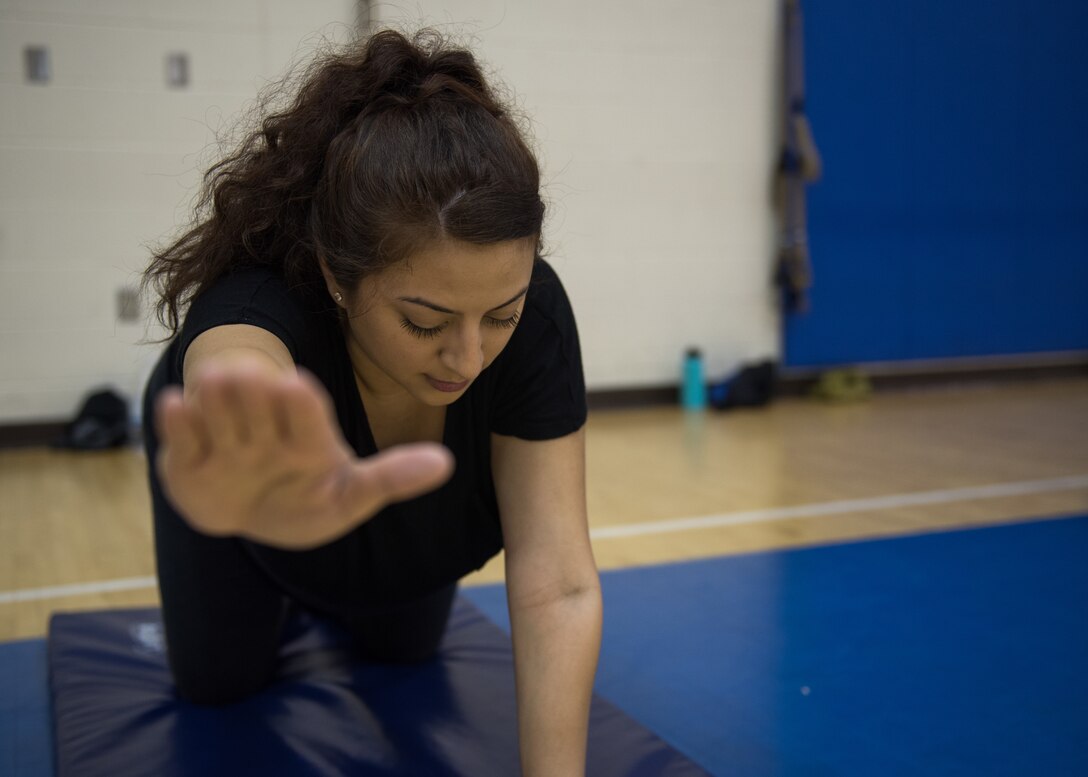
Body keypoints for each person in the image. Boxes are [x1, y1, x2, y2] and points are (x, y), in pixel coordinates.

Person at [141, 28, 602, 776]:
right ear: (334, 275)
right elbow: (232, 365)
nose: (469, 358)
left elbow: (560, 579)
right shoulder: (262, 302)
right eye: (424, 321)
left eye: (501, 314)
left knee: (404, 648)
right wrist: (242, 442)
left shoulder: (538, 320)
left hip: (391, 544)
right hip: (245, 517)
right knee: (217, 686)